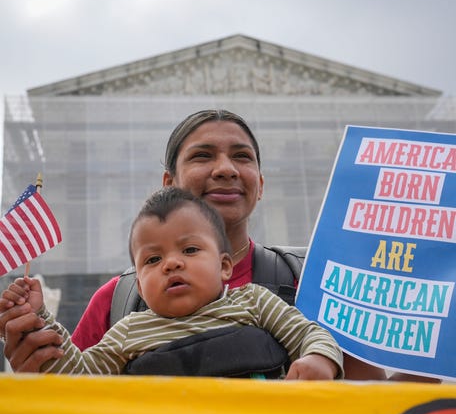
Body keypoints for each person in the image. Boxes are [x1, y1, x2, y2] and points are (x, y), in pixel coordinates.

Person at [0, 109, 437, 382]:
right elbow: (78, 387)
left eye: (242, 157)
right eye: (203, 155)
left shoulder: (316, 279)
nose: (226, 169)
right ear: (168, 185)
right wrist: (39, 342)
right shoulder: (117, 304)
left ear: (260, 185)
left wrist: (427, 371)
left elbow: (366, 400)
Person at [1, 187, 343, 379]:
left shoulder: (254, 301)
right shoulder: (128, 330)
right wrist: (39, 321)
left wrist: (319, 359)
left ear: (225, 266)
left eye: (190, 249)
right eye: (152, 260)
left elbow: (309, 333)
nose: (172, 263)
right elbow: (79, 378)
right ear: (137, 279)